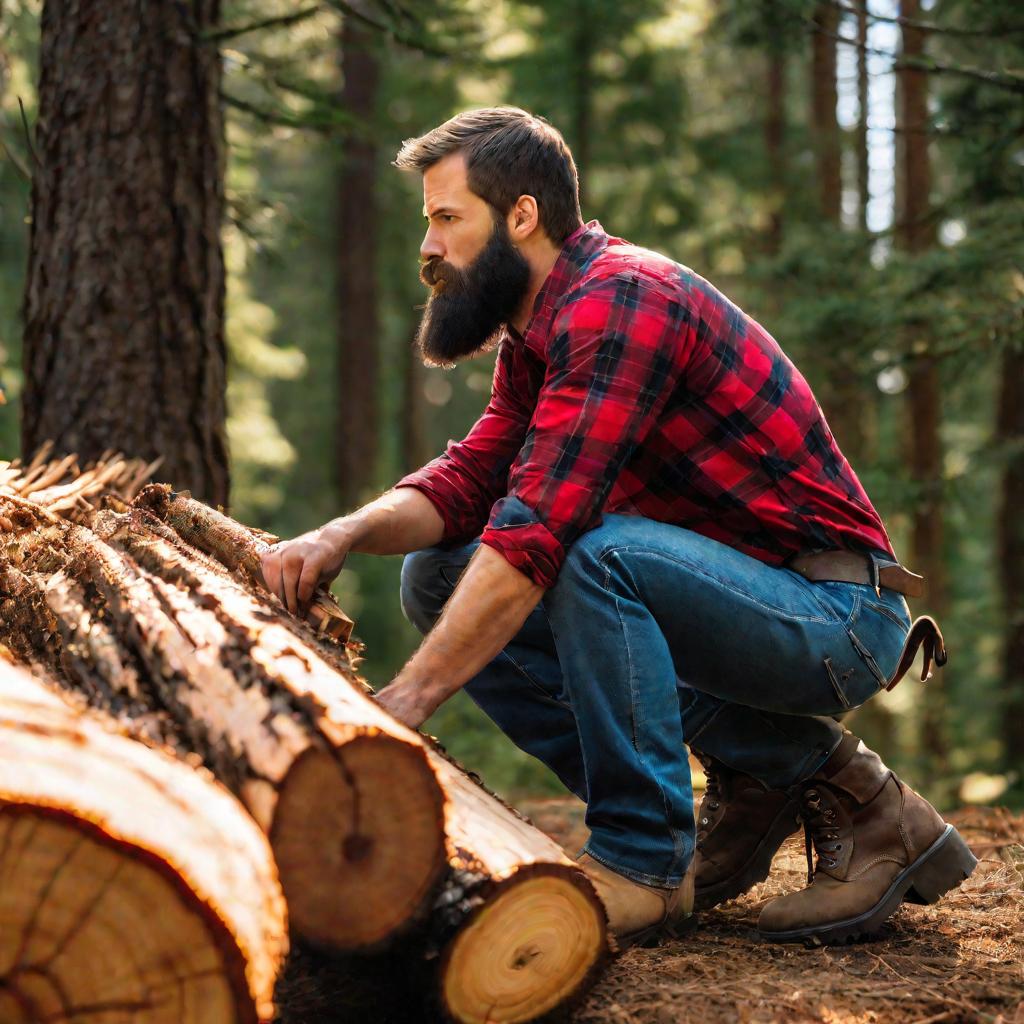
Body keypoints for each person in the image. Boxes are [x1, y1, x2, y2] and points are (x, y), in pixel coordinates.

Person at [260, 107, 976, 948]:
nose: (429, 248)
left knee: (595, 559)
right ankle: (806, 784)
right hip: (741, 612)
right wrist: (339, 535)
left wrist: (407, 701)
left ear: (521, 216)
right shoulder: (538, 336)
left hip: (838, 616)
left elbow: (534, 533)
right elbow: (468, 481)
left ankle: (642, 860)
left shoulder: (620, 300)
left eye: (446, 218)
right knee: (439, 571)